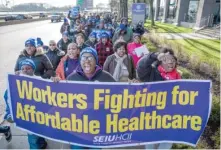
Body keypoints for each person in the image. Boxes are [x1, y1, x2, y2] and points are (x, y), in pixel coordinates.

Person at [137, 48, 181, 149]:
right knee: (149, 139)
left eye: (172, 59)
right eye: (165, 58)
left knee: (167, 140)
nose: (169, 62)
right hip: (151, 113)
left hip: (169, 115)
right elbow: (140, 66)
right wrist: (154, 55)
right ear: (160, 60)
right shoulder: (151, 72)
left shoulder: (178, 76)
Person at [9, 59, 47, 148]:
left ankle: (42, 143)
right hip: (29, 116)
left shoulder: (40, 80)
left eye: (28, 68)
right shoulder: (16, 81)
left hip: (41, 115)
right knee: (33, 139)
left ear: (33, 69)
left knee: (41, 133)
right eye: (23, 69)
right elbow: (9, 96)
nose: (25, 70)